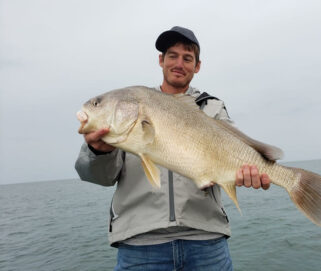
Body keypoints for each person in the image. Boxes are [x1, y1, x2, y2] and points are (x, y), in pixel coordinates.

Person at [75, 26, 271, 271]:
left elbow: (235, 158)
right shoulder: (131, 111)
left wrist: (250, 173)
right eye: (172, 56)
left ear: (197, 66)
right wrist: (98, 152)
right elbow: (99, 177)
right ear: (161, 60)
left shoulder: (212, 107)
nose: (179, 63)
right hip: (140, 244)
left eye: (187, 58)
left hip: (206, 240)